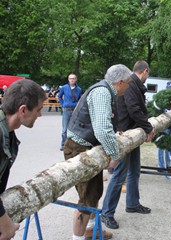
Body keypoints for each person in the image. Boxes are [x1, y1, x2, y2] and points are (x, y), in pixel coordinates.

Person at [64, 64, 132, 240]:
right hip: (80, 148)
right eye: (128, 83)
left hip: (85, 146)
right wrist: (115, 155)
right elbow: (102, 129)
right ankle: (77, 238)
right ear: (120, 82)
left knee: (94, 193)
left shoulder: (105, 90)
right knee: (86, 199)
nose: (129, 86)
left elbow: (102, 126)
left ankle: (91, 230)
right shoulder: (102, 92)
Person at [101, 60, 154, 230]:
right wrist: (148, 128)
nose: (147, 77)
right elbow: (133, 109)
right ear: (144, 71)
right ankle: (106, 213)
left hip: (133, 134)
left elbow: (137, 109)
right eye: (148, 74)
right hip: (126, 135)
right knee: (119, 175)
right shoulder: (131, 84)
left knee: (134, 171)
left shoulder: (134, 84)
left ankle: (132, 203)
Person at [0, 79, 46, 240]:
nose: (40, 115)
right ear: (23, 110)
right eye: (39, 110)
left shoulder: (8, 133)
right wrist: (5, 225)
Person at [58, 73, 82, 151]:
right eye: (70, 78)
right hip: (67, 110)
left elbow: (80, 99)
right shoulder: (64, 88)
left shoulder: (79, 89)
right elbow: (59, 96)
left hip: (75, 110)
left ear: (76, 79)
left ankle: (73, 144)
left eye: (73, 78)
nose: (72, 80)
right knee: (65, 128)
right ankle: (63, 144)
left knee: (74, 128)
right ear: (68, 79)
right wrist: (63, 105)